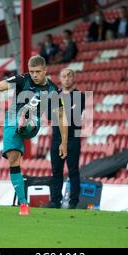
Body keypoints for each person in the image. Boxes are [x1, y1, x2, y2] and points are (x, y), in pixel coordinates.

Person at [0, 55, 68, 216]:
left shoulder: (53, 90)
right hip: (11, 120)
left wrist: (64, 143)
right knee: (13, 158)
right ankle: (23, 204)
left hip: (34, 121)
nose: (34, 75)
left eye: (38, 72)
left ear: (45, 71)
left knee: (30, 117)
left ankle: (25, 119)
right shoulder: (22, 79)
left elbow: (61, 116)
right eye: (32, 71)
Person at [47, 68, 84, 209]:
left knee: (73, 170)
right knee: (56, 170)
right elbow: (50, 116)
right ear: (60, 79)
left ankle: (74, 202)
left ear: (73, 78)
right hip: (56, 138)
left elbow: (73, 117)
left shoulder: (80, 96)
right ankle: (55, 201)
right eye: (64, 76)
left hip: (73, 138)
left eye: (69, 76)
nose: (67, 79)